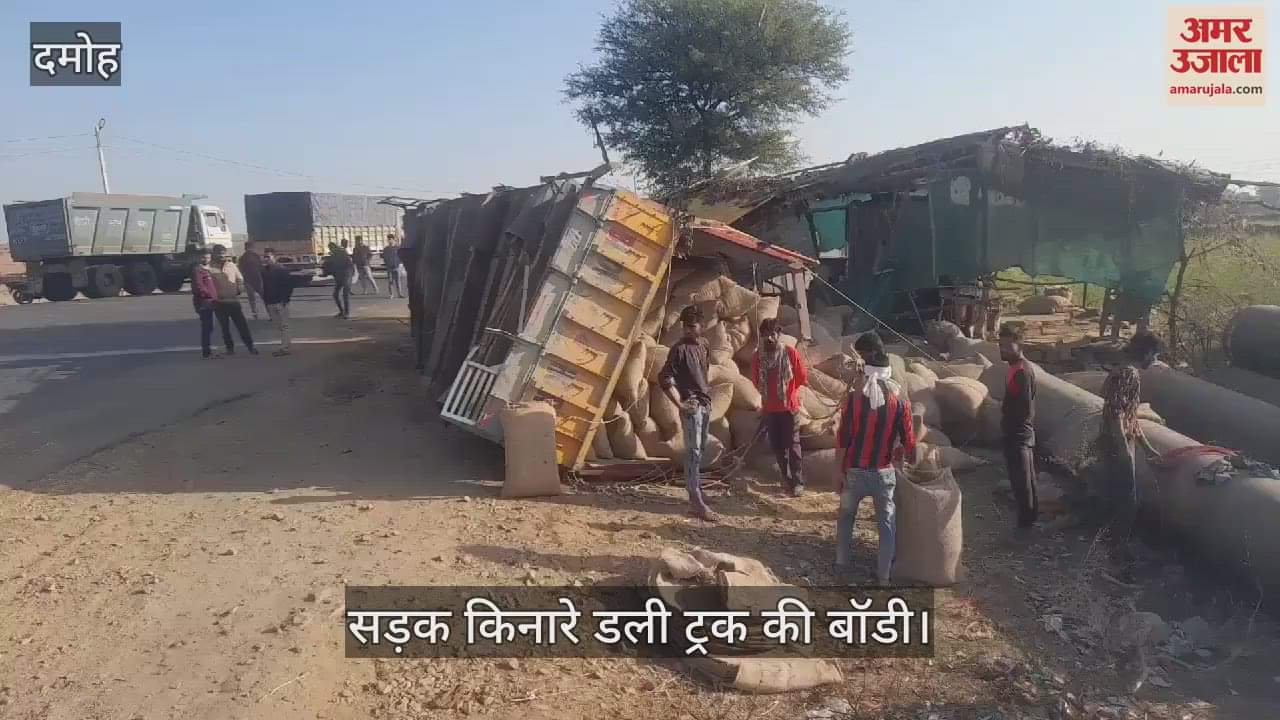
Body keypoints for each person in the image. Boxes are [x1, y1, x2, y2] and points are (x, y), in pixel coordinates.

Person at [836, 336, 916, 585]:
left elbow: (843, 439)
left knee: (847, 517)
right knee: (886, 525)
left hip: (856, 472)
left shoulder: (854, 399)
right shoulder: (900, 401)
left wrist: (839, 471)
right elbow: (909, 442)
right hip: (884, 474)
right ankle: (883, 575)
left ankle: (841, 564)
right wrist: (904, 459)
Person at [1099, 332, 1163, 535]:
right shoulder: (1128, 374)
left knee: (1119, 497)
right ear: (1147, 353)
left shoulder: (1123, 370)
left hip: (1117, 440)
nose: (1155, 361)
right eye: (1155, 356)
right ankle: (1117, 550)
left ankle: (1111, 546)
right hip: (1117, 442)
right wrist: (1123, 448)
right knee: (1126, 501)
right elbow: (1116, 413)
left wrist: (1147, 448)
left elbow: (1130, 418)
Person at [659, 305, 718, 522]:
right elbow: (664, 379)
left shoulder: (704, 345)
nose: (687, 331)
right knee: (693, 452)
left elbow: (704, 371)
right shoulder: (678, 349)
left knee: (700, 450)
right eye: (685, 327)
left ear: (701, 327)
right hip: (691, 405)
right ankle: (695, 501)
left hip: (705, 404)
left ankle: (698, 491)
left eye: (692, 326)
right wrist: (680, 404)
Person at [751, 317, 809, 496]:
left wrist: (787, 392)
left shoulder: (790, 353)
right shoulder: (758, 357)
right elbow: (755, 381)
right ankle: (786, 478)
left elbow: (801, 377)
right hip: (770, 410)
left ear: (779, 335)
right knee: (777, 446)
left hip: (789, 408)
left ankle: (798, 482)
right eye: (766, 335)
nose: (769, 338)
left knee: (793, 446)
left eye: (773, 334)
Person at [998, 322, 1039, 530]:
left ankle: (1026, 525)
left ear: (1019, 345)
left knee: (1022, 480)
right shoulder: (1014, 368)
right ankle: (1030, 518)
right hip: (1019, 431)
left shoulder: (1022, 371)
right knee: (1025, 477)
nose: (1002, 350)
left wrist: (1008, 420)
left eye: (1007, 346)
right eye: (1000, 345)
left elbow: (1025, 409)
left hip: (1019, 432)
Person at [208, 246, 258, 355]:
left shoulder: (231, 265)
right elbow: (208, 285)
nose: (221, 255)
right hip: (219, 303)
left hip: (233, 302)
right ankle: (229, 348)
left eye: (223, 253)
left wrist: (239, 290)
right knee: (225, 328)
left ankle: (250, 347)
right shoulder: (210, 268)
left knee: (242, 326)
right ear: (214, 254)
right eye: (219, 253)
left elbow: (240, 279)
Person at [260, 248, 298, 357]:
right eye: (265, 256)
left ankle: (285, 347)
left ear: (274, 257)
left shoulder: (282, 270)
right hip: (270, 302)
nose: (266, 259)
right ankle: (284, 345)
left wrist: (285, 300)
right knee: (279, 326)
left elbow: (289, 286)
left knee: (284, 325)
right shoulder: (264, 271)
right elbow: (265, 287)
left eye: (268, 256)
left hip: (281, 302)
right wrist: (266, 301)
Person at [191, 250, 220, 359]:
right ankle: (206, 352)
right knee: (207, 327)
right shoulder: (198, 270)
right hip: (204, 302)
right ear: (199, 258)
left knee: (210, 327)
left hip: (211, 302)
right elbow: (199, 287)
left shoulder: (209, 270)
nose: (206, 259)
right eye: (204, 257)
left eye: (208, 257)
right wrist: (209, 295)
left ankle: (208, 351)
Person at [321, 242, 352, 318]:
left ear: (334, 247)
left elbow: (348, 265)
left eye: (331, 248)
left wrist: (326, 272)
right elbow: (329, 267)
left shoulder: (341, 254)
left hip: (345, 276)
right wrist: (325, 272)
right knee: (336, 295)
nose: (330, 250)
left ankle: (346, 313)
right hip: (340, 277)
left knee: (344, 295)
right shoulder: (333, 256)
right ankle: (342, 312)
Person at [237, 240, 264, 320]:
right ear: (253, 247)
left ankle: (255, 314)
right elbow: (260, 267)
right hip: (257, 279)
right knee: (264, 297)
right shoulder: (256, 256)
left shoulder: (242, 257)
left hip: (248, 280)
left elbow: (240, 269)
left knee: (252, 299)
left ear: (245, 248)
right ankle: (270, 313)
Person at [382, 235, 404, 299]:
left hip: (397, 267)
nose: (389, 240)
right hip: (389, 267)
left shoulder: (398, 248)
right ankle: (391, 294)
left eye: (390, 239)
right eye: (388, 239)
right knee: (390, 281)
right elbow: (384, 257)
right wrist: (387, 264)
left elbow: (401, 257)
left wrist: (400, 264)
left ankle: (399, 294)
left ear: (393, 239)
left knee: (398, 281)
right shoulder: (386, 249)